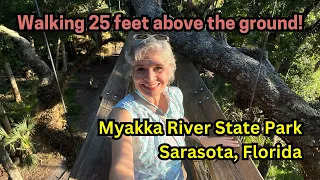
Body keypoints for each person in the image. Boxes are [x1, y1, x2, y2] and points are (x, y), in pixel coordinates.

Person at [108, 34, 239, 180]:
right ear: (132, 72)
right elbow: (121, 167)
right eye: (140, 69)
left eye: (158, 68)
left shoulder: (175, 95)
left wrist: (204, 140)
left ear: (170, 70)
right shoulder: (124, 114)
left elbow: (178, 120)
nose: (150, 78)